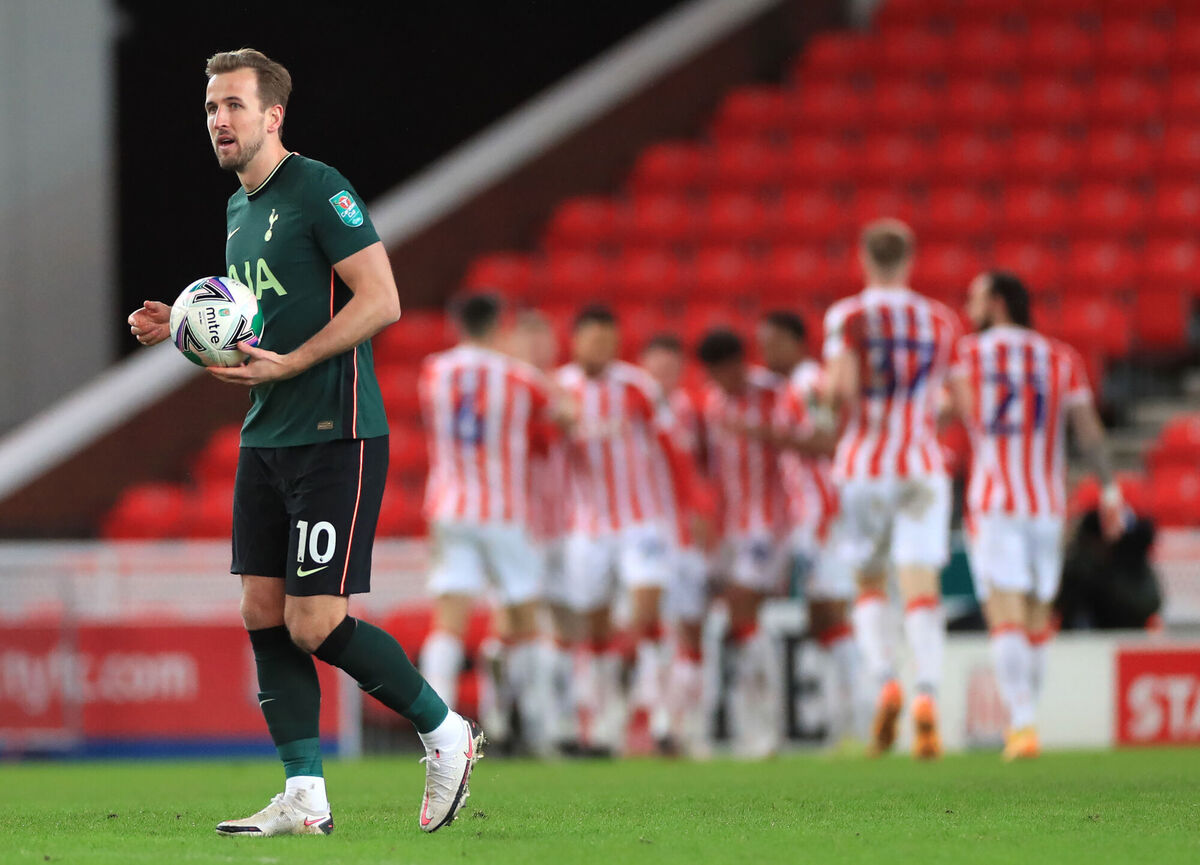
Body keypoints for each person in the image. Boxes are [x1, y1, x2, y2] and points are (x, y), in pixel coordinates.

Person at [127, 49, 480, 836]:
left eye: (234, 106)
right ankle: (305, 794)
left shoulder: (319, 187)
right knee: (260, 607)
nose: (219, 120)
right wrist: (182, 330)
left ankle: (443, 729)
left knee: (313, 621)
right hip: (267, 434)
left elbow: (381, 299)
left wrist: (295, 362)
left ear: (272, 114)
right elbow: (255, 318)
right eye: (212, 108)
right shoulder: (238, 211)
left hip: (336, 431)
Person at [948, 270, 1122, 760]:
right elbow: (1088, 433)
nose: (969, 306)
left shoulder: (966, 355)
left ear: (998, 302)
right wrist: (1109, 490)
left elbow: (945, 412)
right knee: (1037, 616)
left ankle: (1022, 725)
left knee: (1004, 612)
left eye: (976, 297)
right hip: (1046, 504)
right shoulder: (1061, 358)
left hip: (995, 500)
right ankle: (1026, 721)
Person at [822, 219, 960, 759]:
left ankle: (886, 683)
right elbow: (954, 403)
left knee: (870, 584)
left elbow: (842, 390)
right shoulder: (940, 320)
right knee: (921, 585)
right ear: (911, 258)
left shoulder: (848, 316)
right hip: (922, 461)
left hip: (865, 464)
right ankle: (928, 696)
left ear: (862, 258)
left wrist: (822, 397)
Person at [417, 294, 565, 757]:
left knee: (449, 620)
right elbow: (566, 414)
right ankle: (539, 728)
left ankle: (437, 734)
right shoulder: (520, 377)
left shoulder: (433, 370)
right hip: (503, 510)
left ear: (457, 323)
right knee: (525, 618)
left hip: (448, 506)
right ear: (498, 326)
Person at [555, 305, 699, 755]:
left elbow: (674, 451)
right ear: (576, 341)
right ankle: (602, 723)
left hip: (642, 523)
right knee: (595, 631)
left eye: (609, 342)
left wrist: (690, 510)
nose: (602, 350)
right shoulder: (560, 391)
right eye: (594, 341)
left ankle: (661, 718)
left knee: (647, 617)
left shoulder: (638, 387)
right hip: (589, 527)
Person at [759, 312, 859, 745]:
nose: (764, 353)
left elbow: (829, 439)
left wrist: (770, 436)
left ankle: (862, 714)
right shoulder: (791, 387)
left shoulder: (810, 384)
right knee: (822, 618)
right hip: (811, 517)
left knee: (833, 612)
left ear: (793, 341)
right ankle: (844, 717)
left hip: (827, 514)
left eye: (771, 342)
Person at [696, 328, 789, 759]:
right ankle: (752, 721)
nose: (724, 378)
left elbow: (802, 442)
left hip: (770, 523)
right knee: (739, 620)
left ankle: (765, 725)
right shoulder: (711, 403)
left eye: (729, 368)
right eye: (716, 372)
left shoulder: (773, 394)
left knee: (741, 605)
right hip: (732, 526)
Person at [639, 333, 713, 756]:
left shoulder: (693, 411)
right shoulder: (632, 407)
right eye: (655, 369)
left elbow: (706, 466)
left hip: (686, 536)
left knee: (689, 631)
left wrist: (706, 517)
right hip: (646, 534)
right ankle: (660, 720)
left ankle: (687, 722)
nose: (662, 377)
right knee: (652, 626)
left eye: (670, 369)